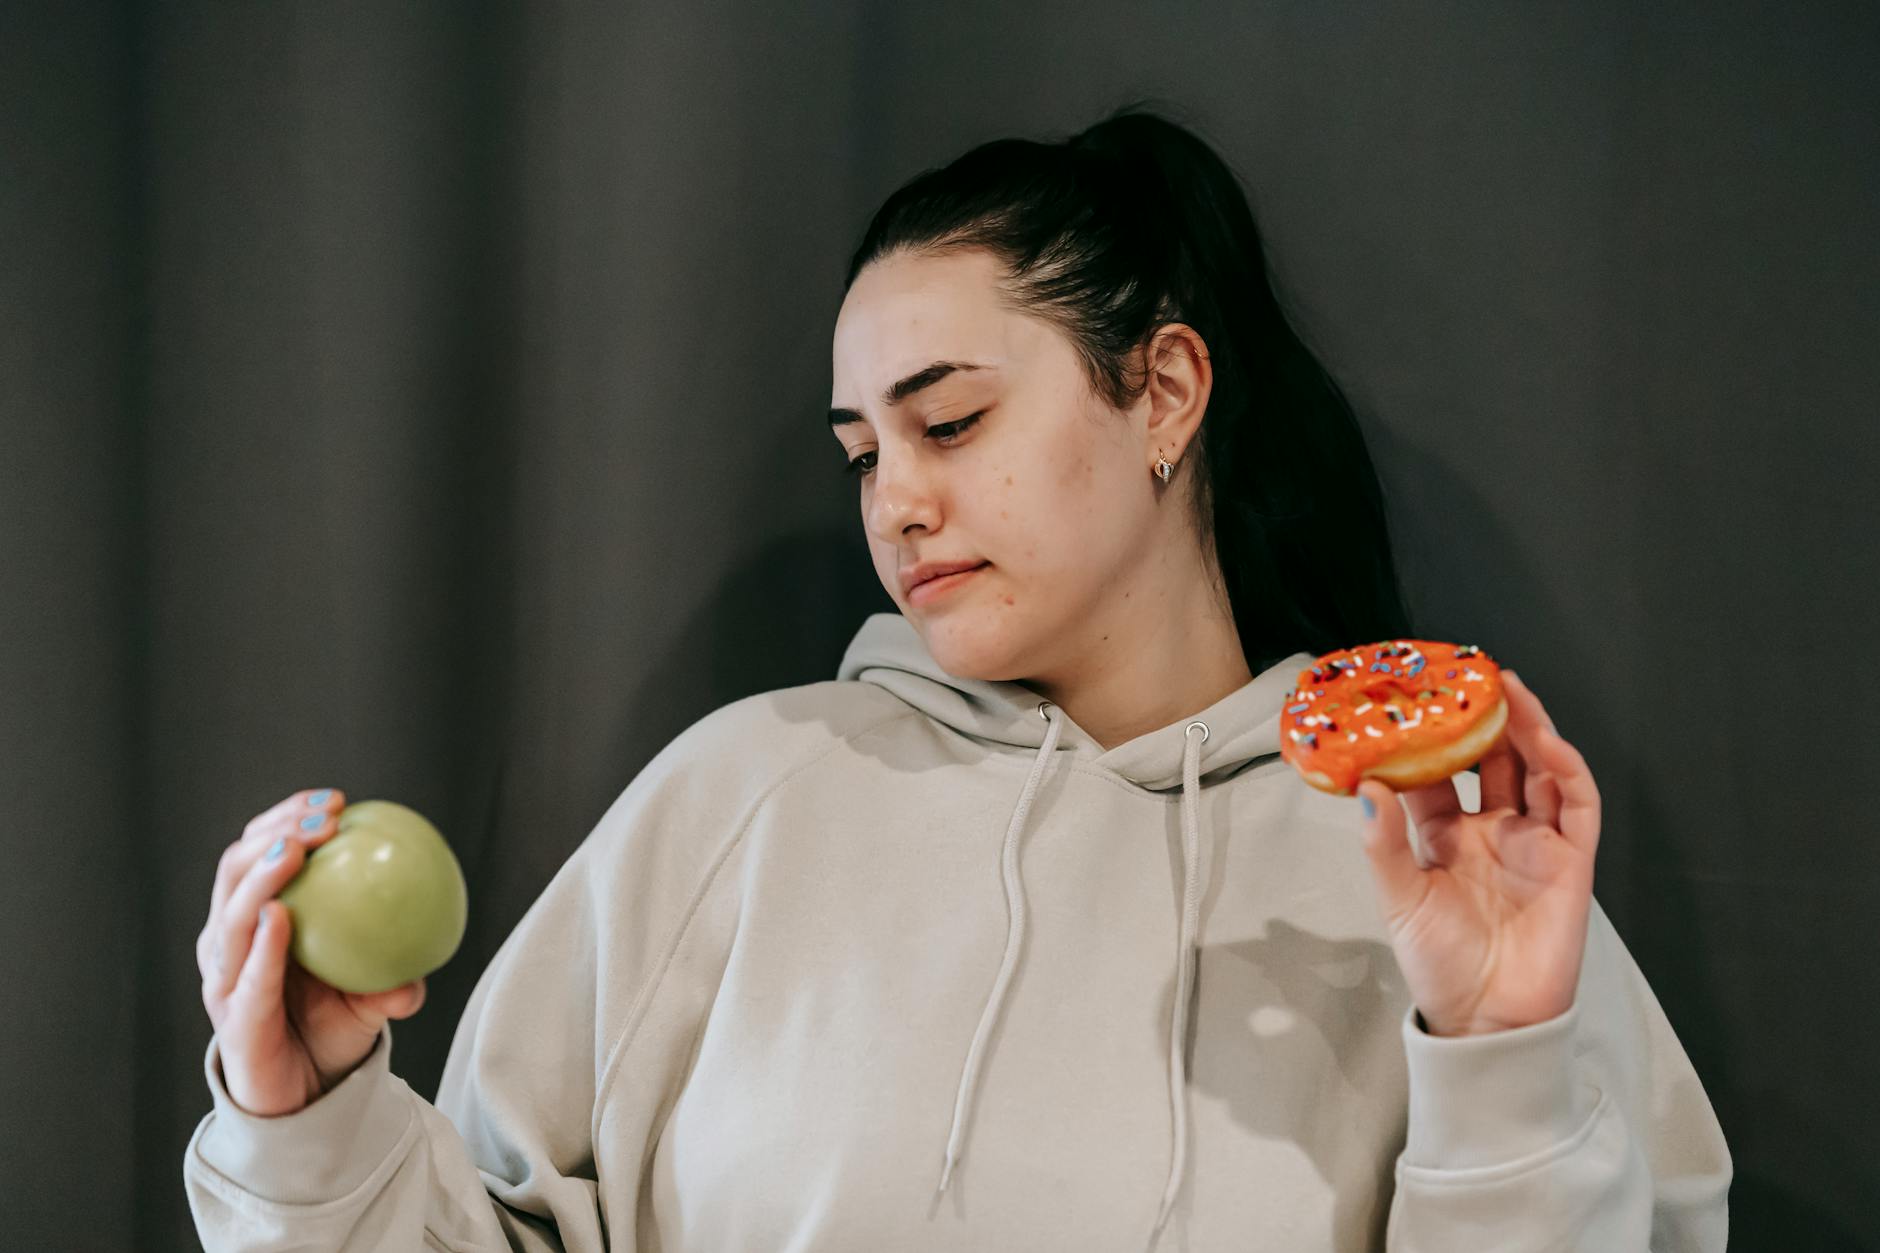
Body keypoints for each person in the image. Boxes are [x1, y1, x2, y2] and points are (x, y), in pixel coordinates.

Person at [184, 103, 1732, 1251]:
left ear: (1166, 392)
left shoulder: (1435, 858)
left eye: (951, 421)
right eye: (863, 453)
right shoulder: (746, 794)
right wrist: (310, 1120)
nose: (895, 502)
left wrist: (1501, 1062)